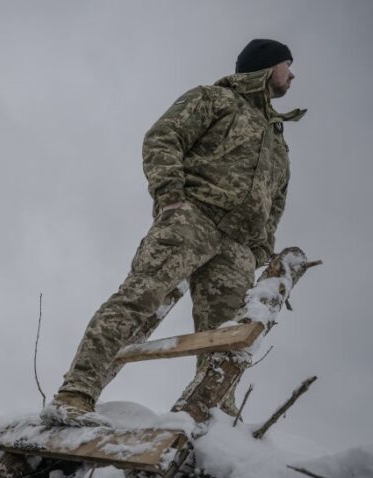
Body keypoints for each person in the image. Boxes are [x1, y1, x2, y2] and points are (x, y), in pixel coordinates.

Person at [43, 39, 306, 424]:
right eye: (288, 64)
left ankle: (213, 421)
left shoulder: (278, 141)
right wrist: (171, 198)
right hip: (192, 219)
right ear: (266, 67)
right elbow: (163, 137)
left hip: (237, 247)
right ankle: (76, 394)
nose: (293, 74)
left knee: (226, 337)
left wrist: (261, 249)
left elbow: (276, 201)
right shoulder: (214, 99)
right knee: (137, 300)